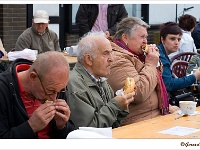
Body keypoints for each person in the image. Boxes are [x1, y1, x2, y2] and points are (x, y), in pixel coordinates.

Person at [106, 17, 178, 126]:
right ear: (125, 38)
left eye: (146, 37)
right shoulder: (117, 59)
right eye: (142, 37)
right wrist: (151, 64)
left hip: (155, 113)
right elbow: (139, 93)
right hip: (138, 121)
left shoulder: (137, 55)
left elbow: (156, 80)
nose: (145, 41)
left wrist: (155, 62)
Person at [66, 31, 135, 129]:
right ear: (89, 59)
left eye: (111, 53)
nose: (111, 59)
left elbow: (113, 124)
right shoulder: (74, 85)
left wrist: (123, 105)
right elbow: (88, 130)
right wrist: (116, 105)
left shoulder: (100, 79)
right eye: (106, 54)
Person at [0, 51, 74, 138]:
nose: (54, 99)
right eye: (50, 91)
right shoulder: (3, 90)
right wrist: (31, 126)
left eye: (60, 91)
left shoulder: (55, 86)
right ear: (33, 77)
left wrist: (62, 126)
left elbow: (69, 136)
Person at [157, 22, 200, 101]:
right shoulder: (160, 56)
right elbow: (169, 84)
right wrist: (194, 76)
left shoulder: (161, 53)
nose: (176, 43)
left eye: (179, 39)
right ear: (162, 39)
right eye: (172, 39)